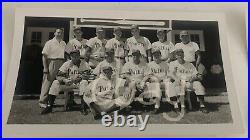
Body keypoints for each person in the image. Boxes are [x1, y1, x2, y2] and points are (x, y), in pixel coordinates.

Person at [40, 49, 91, 115]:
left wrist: (79, 78)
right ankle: (49, 106)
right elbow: (58, 75)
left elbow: (88, 75)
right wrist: (64, 80)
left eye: (76, 55)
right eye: (72, 55)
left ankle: (83, 107)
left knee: (84, 82)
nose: (74, 57)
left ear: (79, 56)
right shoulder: (67, 63)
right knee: (55, 83)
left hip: (79, 84)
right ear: (70, 56)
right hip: (69, 84)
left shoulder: (84, 64)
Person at [168, 49, 208, 113]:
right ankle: (182, 107)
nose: (180, 55)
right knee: (179, 87)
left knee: (198, 85)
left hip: (189, 82)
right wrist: (176, 79)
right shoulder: (173, 63)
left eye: (181, 54)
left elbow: (196, 74)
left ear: (183, 54)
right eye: (178, 54)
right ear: (175, 56)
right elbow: (170, 74)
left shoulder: (190, 64)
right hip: (179, 82)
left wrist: (194, 78)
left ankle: (202, 106)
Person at [142, 48, 176, 113]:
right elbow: (148, 76)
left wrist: (167, 79)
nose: (156, 56)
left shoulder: (166, 64)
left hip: (164, 81)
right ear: (152, 56)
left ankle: (176, 106)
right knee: (155, 85)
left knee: (170, 84)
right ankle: (157, 107)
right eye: (155, 55)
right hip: (154, 82)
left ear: (160, 55)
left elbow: (170, 74)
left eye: (158, 54)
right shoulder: (149, 64)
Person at [39, 28, 66, 108]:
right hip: (52, 62)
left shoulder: (63, 43)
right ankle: (42, 101)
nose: (59, 34)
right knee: (47, 82)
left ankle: (50, 101)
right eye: (58, 32)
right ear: (54, 33)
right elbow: (44, 56)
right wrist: (45, 68)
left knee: (56, 83)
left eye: (61, 33)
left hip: (61, 63)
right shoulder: (49, 43)